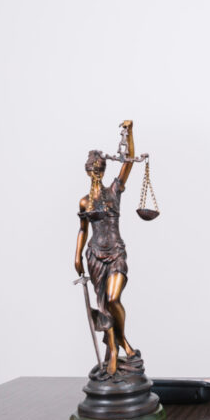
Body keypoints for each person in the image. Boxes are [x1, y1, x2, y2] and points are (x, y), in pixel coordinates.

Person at [75, 120, 138, 377]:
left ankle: (121, 341)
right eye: (94, 169)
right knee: (103, 307)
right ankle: (114, 349)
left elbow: (129, 162)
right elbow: (82, 229)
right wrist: (77, 255)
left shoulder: (114, 191)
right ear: (88, 171)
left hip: (116, 253)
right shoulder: (85, 200)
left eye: (100, 168)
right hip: (94, 257)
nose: (97, 172)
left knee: (113, 299)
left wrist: (129, 133)